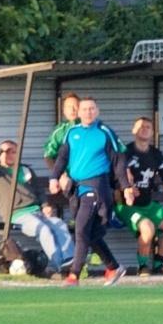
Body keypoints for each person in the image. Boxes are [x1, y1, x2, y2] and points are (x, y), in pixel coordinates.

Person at [50, 97, 125, 286]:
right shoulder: (71, 132)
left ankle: (73, 275)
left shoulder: (104, 132)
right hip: (76, 189)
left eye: (91, 109)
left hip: (96, 187)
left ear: (97, 111)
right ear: (79, 113)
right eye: (84, 109)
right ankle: (113, 266)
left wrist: (126, 187)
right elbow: (61, 158)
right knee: (89, 234)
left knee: (82, 229)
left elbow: (119, 161)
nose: (88, 112)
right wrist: (54, 177)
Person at [0, 140, 74, 271]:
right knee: (44, 230)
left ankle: (70, 263)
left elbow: (39, 190)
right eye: (7, 152)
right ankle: (61, 267)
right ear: (1, 154)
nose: (11, 155)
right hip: (17, 214)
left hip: (37, 212)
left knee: (60, 226)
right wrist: (0, 149)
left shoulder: (25, 170)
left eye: (14, 152)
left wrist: (45, 205)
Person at [116, 117, 163, 276]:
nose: (144, 129)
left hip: (148, 205)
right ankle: (142, 266)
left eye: (148, 127)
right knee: (147, 228)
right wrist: (128, 188)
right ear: (133, 131)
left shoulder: (156, 154)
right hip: (127, 206)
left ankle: (159, 264)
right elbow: (115, 178)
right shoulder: (125, 152)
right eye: (140, 127)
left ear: (153, 132)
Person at [43, 92, 82, 171]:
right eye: (69, 107)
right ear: (64, 111)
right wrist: (59, 176)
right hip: (66, 178)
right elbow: (48, 156)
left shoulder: (91, 129)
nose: (72, 109)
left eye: (75, 106)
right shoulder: (59, 131)